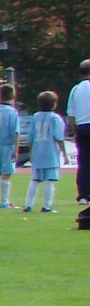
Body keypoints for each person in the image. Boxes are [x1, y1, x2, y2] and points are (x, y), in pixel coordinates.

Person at [24, 92, 67, 212]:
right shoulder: (55, 118)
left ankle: (28, 205)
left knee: (35, 180)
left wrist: (31, 152)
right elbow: (59, 137)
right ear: (54, 104)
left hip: (37, 153)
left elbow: (30, 138)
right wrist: (64, 153)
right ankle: (47, 206)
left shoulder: (35, 117)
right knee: (50, 180)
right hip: (50, 153)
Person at [66, 59, 90, 205]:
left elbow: (71, 115)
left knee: (84, 162)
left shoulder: (75, 89)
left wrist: (75, 132)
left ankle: (83, 195)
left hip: (82, 128)